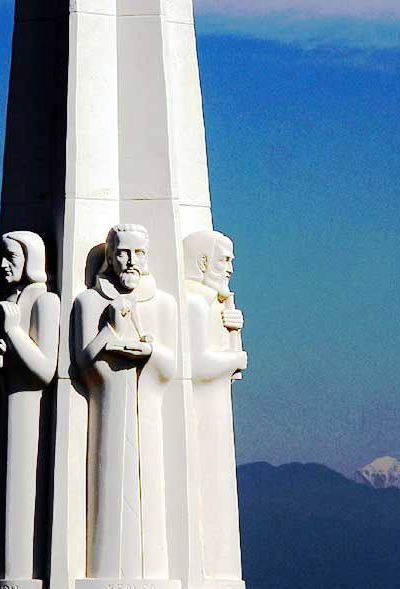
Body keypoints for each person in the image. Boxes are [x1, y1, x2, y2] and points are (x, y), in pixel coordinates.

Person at [75, 224, 177, 581]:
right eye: (122, 252)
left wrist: (148, 350)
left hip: (146, 411)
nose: (131, 261)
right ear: (109, 256)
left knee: (149, 493)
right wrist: (111, 330)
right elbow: (84, 361)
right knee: (106, 487)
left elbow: (170, 363)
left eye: (138, 253)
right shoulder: (89, 301)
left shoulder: (163, 303)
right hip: (106, 408)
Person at [0, 231, 60, 588]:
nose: (4, 266)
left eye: (12, 258)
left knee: (20, 492)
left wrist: (13, 333)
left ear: (30, 261)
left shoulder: (43, 301)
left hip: (28, 411)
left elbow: (43, 369)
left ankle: (19, 576)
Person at [183, 230, 247, 584]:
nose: (230, 267)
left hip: (215, 406)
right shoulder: (194, 303)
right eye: (225, 259)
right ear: (203, 261)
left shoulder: (212, 303)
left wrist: (230, 329)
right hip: (204, 412)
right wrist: (236, 357)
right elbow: (198, 364)